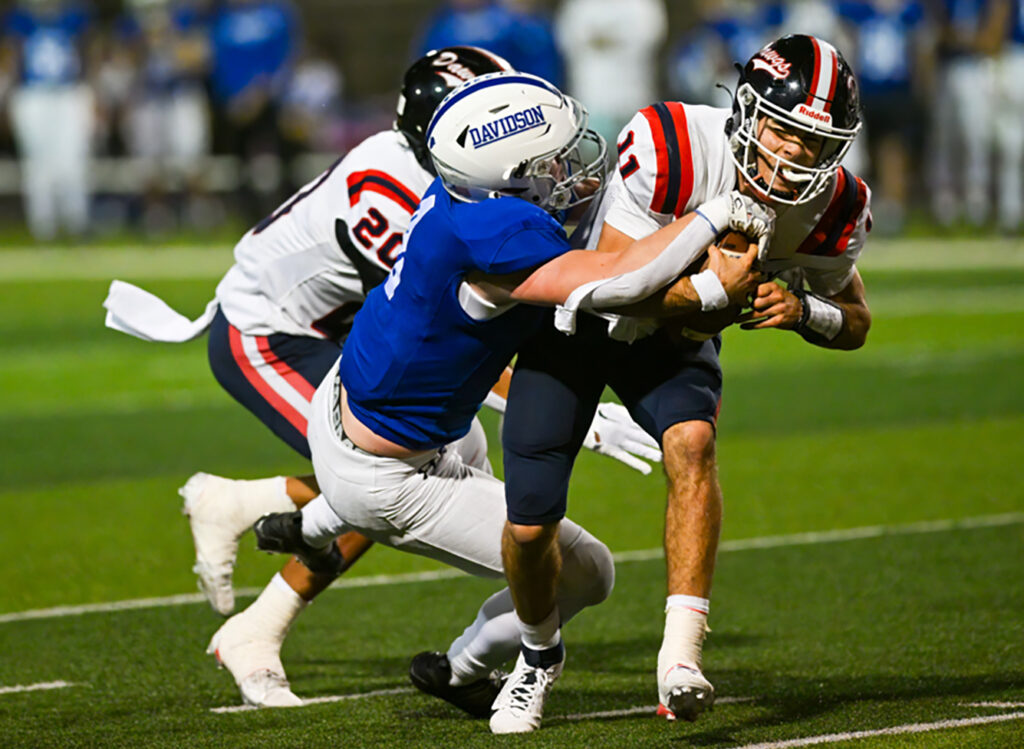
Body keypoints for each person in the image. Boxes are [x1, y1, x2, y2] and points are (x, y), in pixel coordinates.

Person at [103, 49, 663, 707]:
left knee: (427, 456)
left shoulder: (443, 179)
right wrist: (578, 414)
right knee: (393, 465)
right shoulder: (403, 194)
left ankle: (257, 519)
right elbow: (439, 344)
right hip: (267, 331)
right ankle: (259, 610)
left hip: (335, 324)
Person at [252, 69, 770, 727]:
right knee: (589, 572)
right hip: (389, 473)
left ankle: (311, 525)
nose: (575, 167)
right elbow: (615, 281)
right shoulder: (496, 233)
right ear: (508, 179)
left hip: (363, 408)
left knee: (469, 446)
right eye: (555, 161)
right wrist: (713, 218)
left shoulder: (458, 198)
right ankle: (526, 656)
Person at [486, 34, 873, 732]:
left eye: (813, 143)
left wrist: (801, 310)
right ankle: (537, 656)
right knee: (529, 522)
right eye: (783, 131)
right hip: (574, 322)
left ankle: (681, 657)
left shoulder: (834, 205)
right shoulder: (675, 144)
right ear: (748, 112)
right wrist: (708, 292)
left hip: (669, 340)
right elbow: (611, 286)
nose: (791, 156)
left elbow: (855, 320)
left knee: (693, 443)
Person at [1, 0, 96, 240]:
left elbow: (87, 50)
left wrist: (90, 90)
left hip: (68, 91)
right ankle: (43, 226)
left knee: (73, 158)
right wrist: (10, 98)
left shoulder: (75, 12)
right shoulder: (20, 16)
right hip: (33, 93)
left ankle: (76, 221)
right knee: (37, 163)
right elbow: (13, 54)